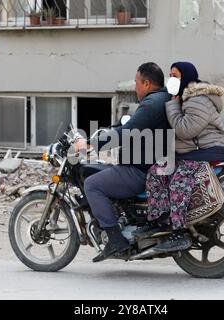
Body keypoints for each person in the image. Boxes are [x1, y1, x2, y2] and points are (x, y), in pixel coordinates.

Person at [72, 62, 171, 262]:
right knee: (104, 172)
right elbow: (130, 124)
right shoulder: (162, 99)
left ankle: (115, 239)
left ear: (146, 83)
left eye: (136, 82)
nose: (135, 86)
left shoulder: (152, 104)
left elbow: (126, 133)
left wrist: (89, 144)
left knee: (92, 184)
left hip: (139, 170)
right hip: (150, 165)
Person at [144, 61, 224, 252]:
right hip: (193, 152)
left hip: (205, 152)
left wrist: (172, 105)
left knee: (178, 183)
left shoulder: (198, 99)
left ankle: (178, 233)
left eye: (175, 76)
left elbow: (185, 130)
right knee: (156, 173)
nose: (171, 79)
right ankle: (163, 222)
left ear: (187, 77)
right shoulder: (186, 98)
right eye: (170, 75)